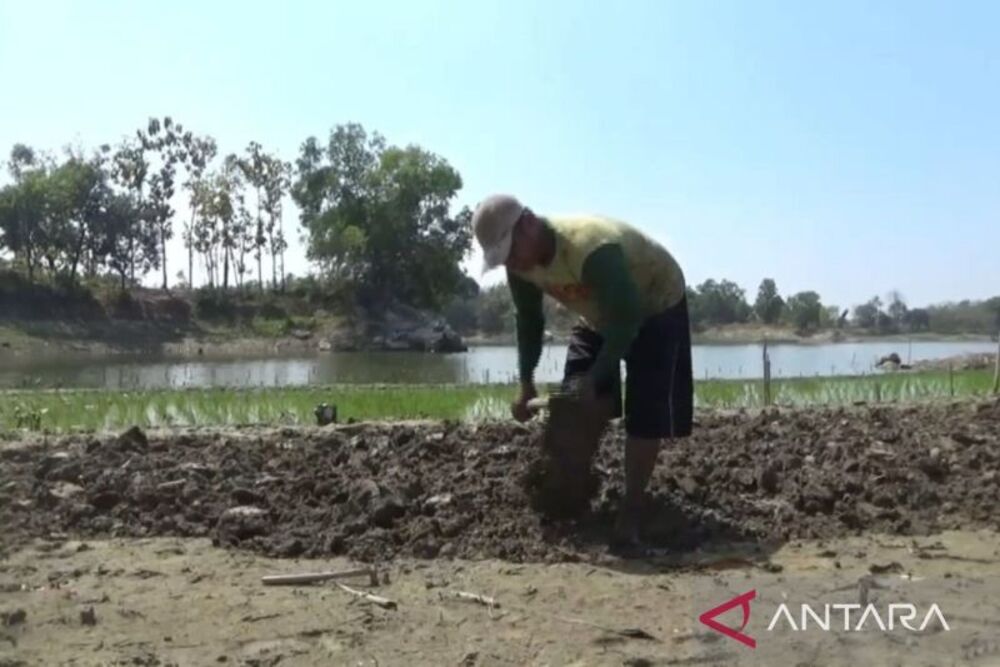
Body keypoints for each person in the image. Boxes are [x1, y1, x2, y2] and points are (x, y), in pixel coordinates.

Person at [471, 193, 693, 547]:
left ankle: (632, 509)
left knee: (645, 411)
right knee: (570, 402)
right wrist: (526, 382)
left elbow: (627, 318)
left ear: (528, 224)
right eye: (503, 259)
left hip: (654, 303)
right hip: (598, 311)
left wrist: (597, 376)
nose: (510, 263)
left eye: (512, 251)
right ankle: (567, 495)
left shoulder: (589, 247)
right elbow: (528, 321)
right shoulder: (521, 269)